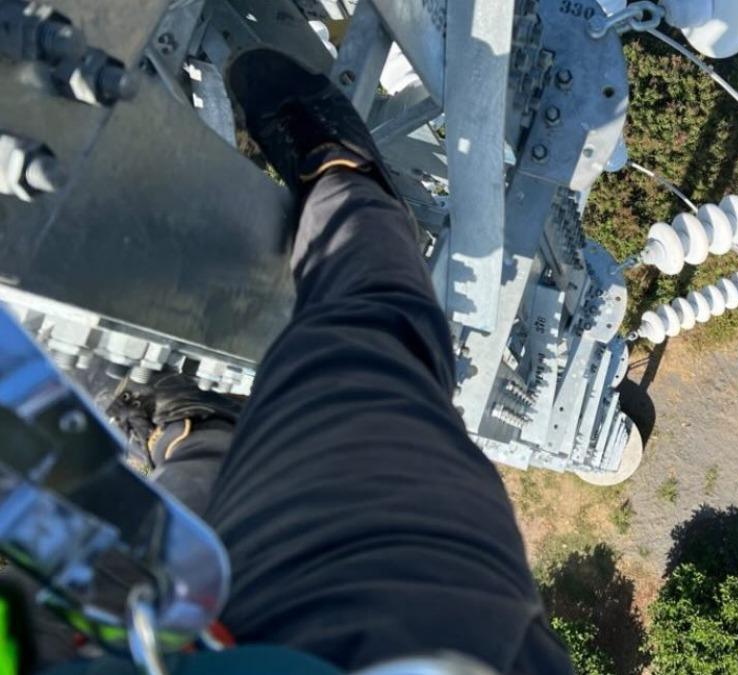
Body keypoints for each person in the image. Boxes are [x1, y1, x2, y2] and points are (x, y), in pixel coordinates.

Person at [93, 48, 572, 674]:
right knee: (361, 364)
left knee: (163, 538)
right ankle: (344, 185)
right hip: (414, 628)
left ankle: (197, 434)